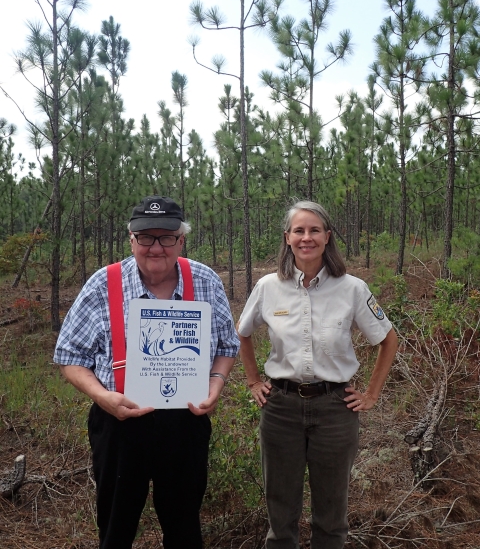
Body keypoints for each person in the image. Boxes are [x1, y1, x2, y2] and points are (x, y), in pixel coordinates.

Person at [54, 195, 240, 549]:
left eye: (166, 237)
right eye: (146, 237)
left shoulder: (204, 280)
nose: (156, 247)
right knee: (116, 527)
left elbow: (227, 348)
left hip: (186, 422)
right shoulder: (102, 284)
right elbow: (69, 355)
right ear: (131, 239)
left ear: (181, 239)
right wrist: (101, 396)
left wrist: (215, 384)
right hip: (119, 423)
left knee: (184, 525)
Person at [237, 201, 398, 549]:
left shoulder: (352, 288)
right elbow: (243, 332)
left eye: (314, 230)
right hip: (280, 408)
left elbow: (388, 339)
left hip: (334, 410)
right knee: (280, 514)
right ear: (287, 237)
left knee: (331, 513)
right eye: (299, 230)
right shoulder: (268, 287)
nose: (306, 237)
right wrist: (252, 381)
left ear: (327, 237)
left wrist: (370, 394)